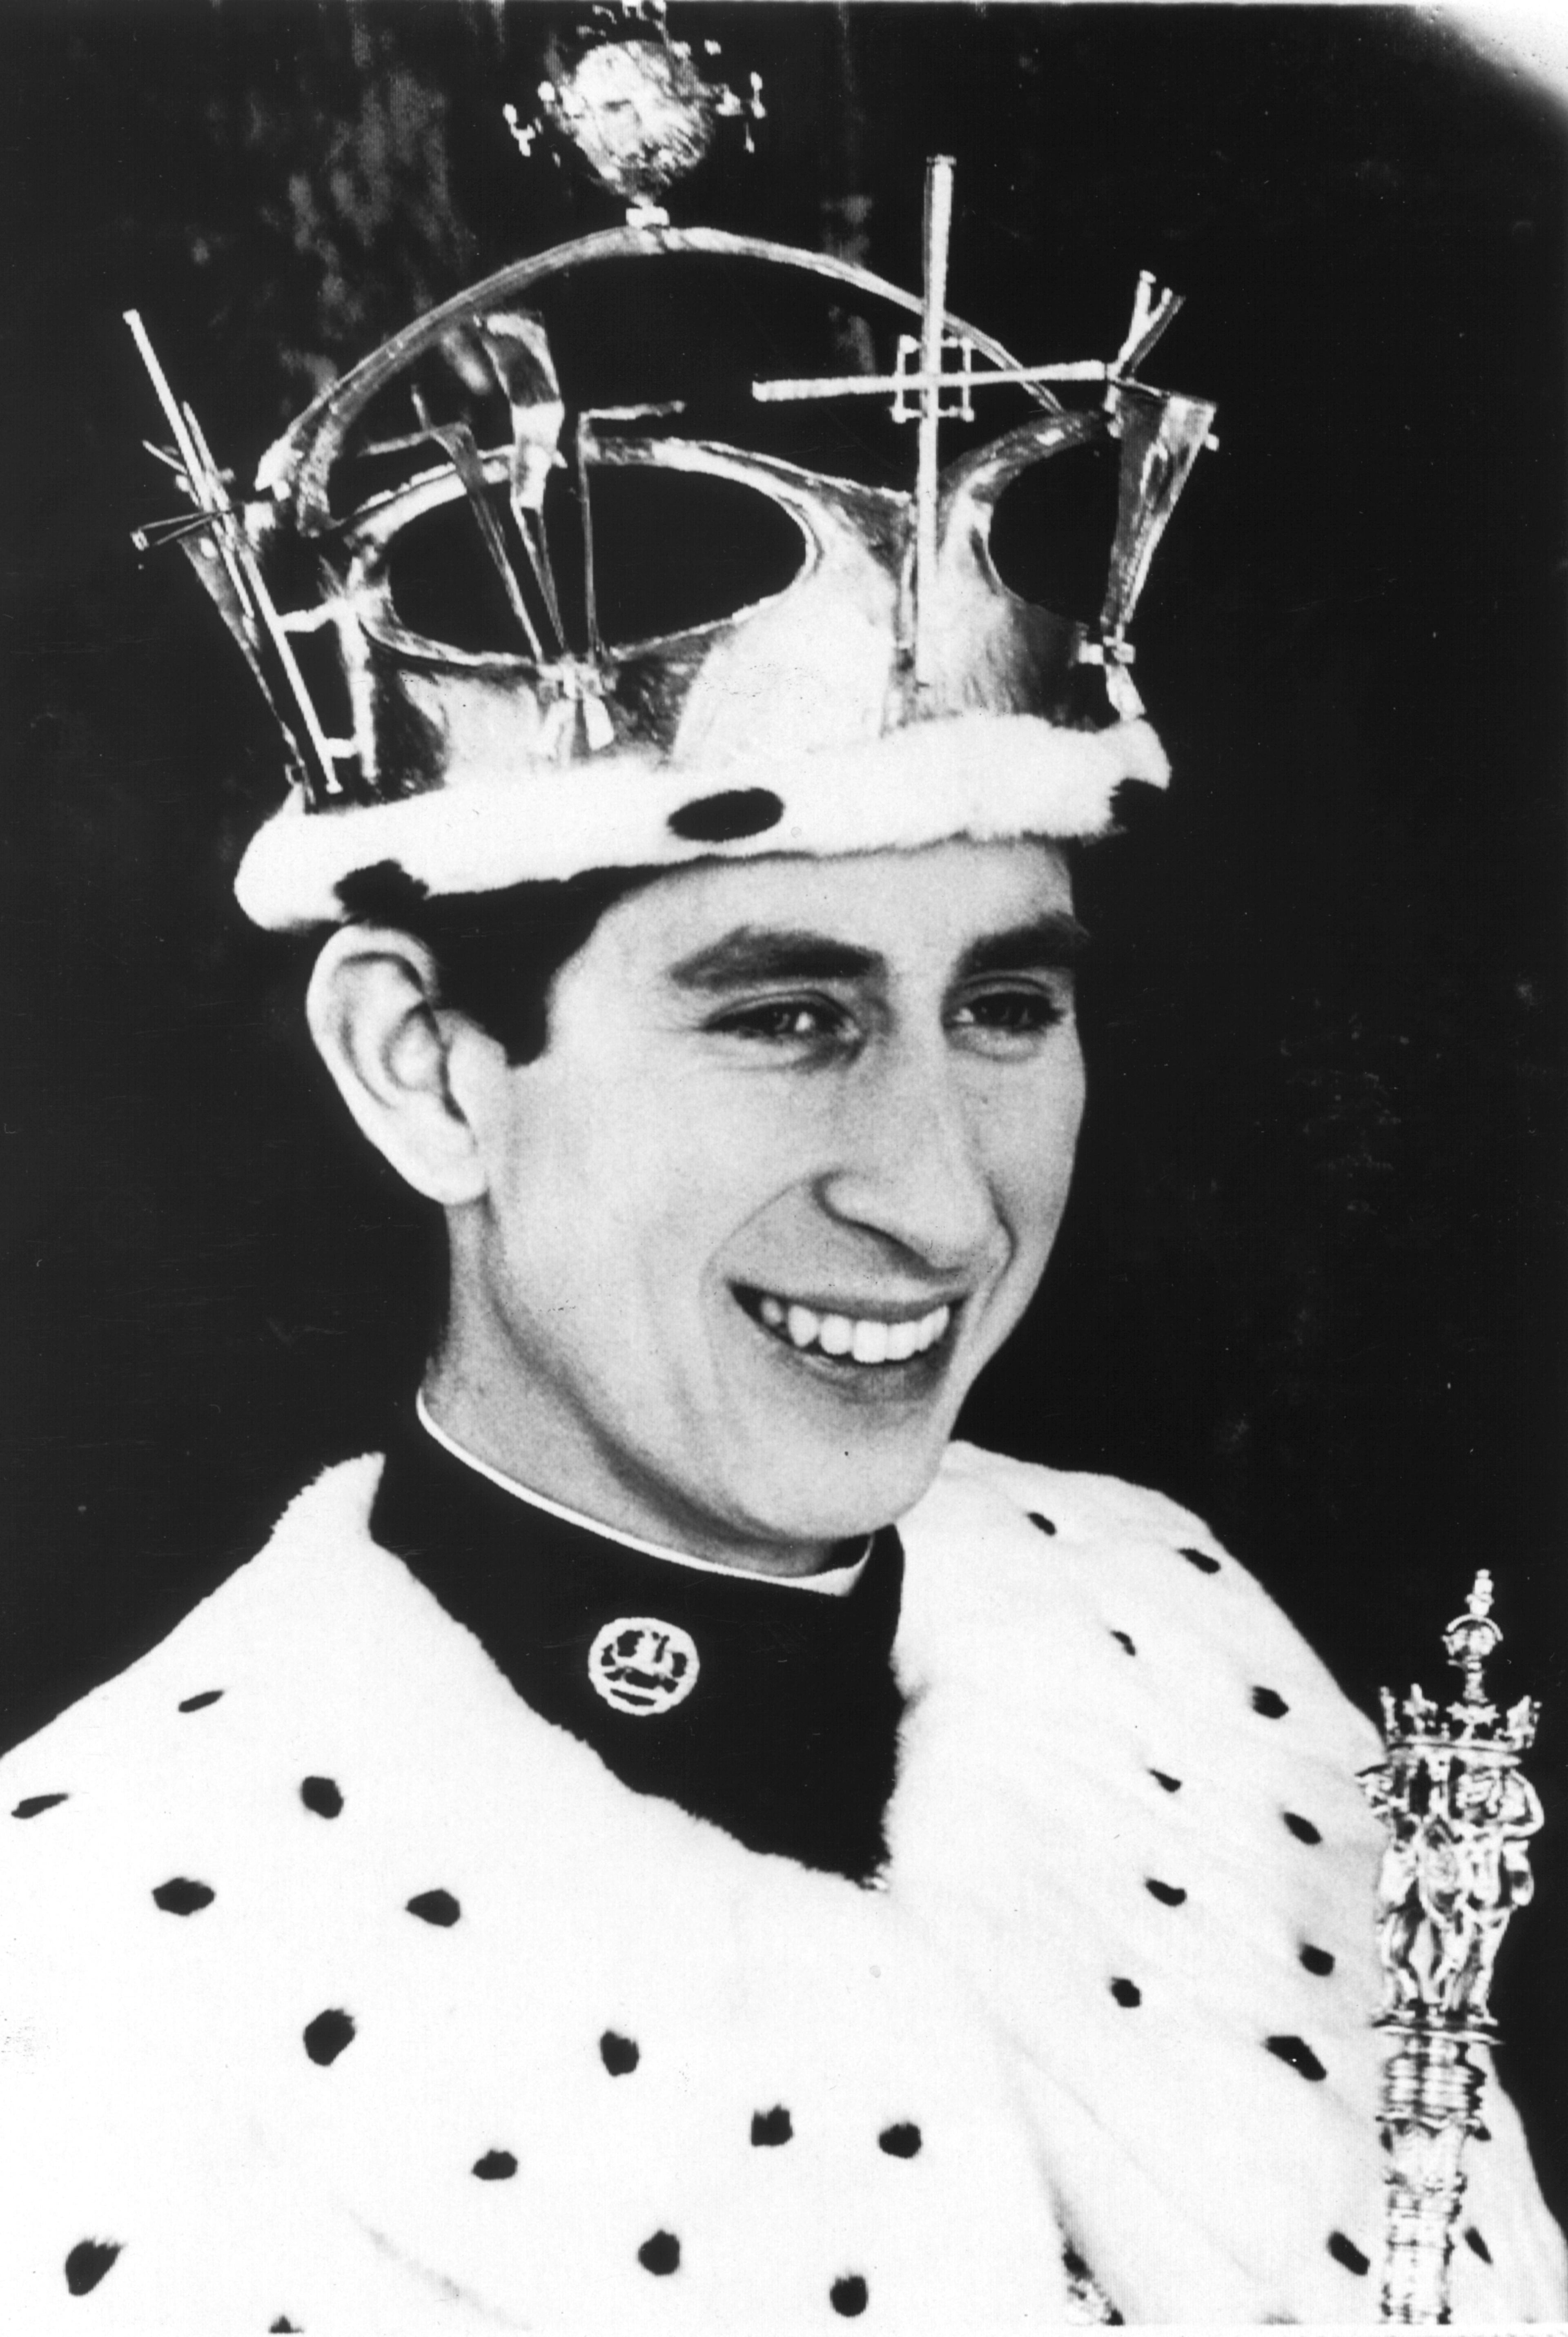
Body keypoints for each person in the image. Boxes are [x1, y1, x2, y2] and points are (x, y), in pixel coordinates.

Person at [1, 30, 1563, 2332]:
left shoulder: (1175, 1634)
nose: (943, 1205)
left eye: (1007, 1007)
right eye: (789, 1017)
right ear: (424, 1069)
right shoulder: (97, 1957)